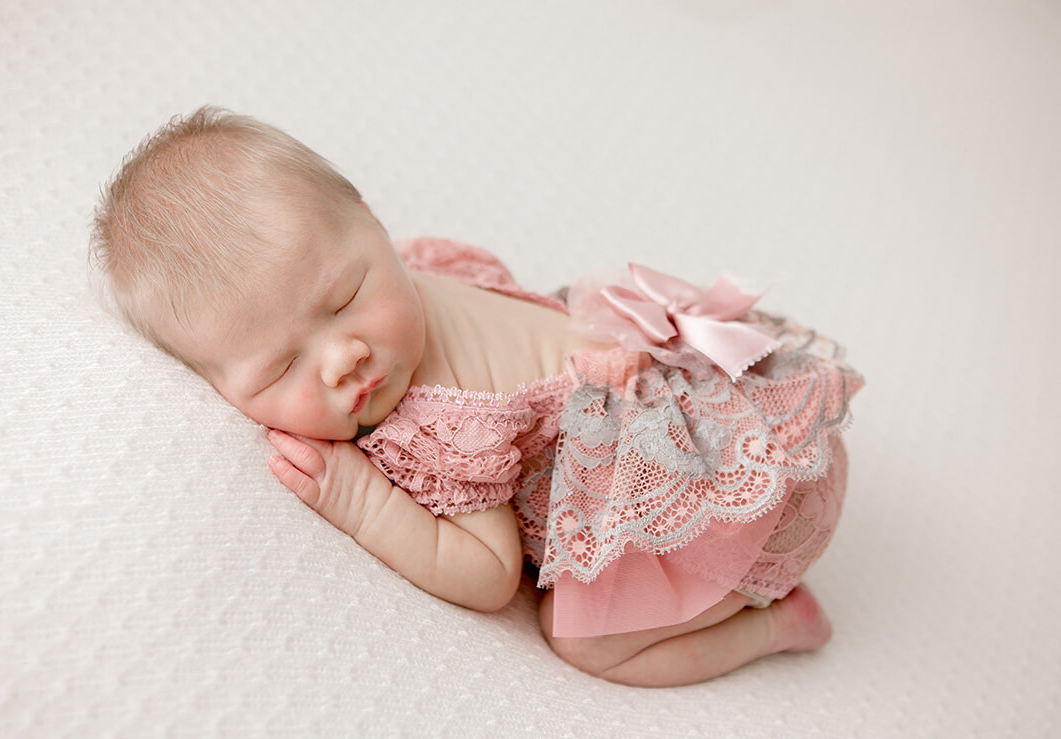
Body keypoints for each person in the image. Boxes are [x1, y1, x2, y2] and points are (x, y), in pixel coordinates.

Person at [90, 106, 863, 687]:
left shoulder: (436, 424)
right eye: (280, 369)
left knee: (585, 641)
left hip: (734, 501)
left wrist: (362, 504)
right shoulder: (420, 272)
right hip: (753, 408)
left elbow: (490, 573)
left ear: (373, 221)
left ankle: (771, 627)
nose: (342, 359)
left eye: (345, 299)